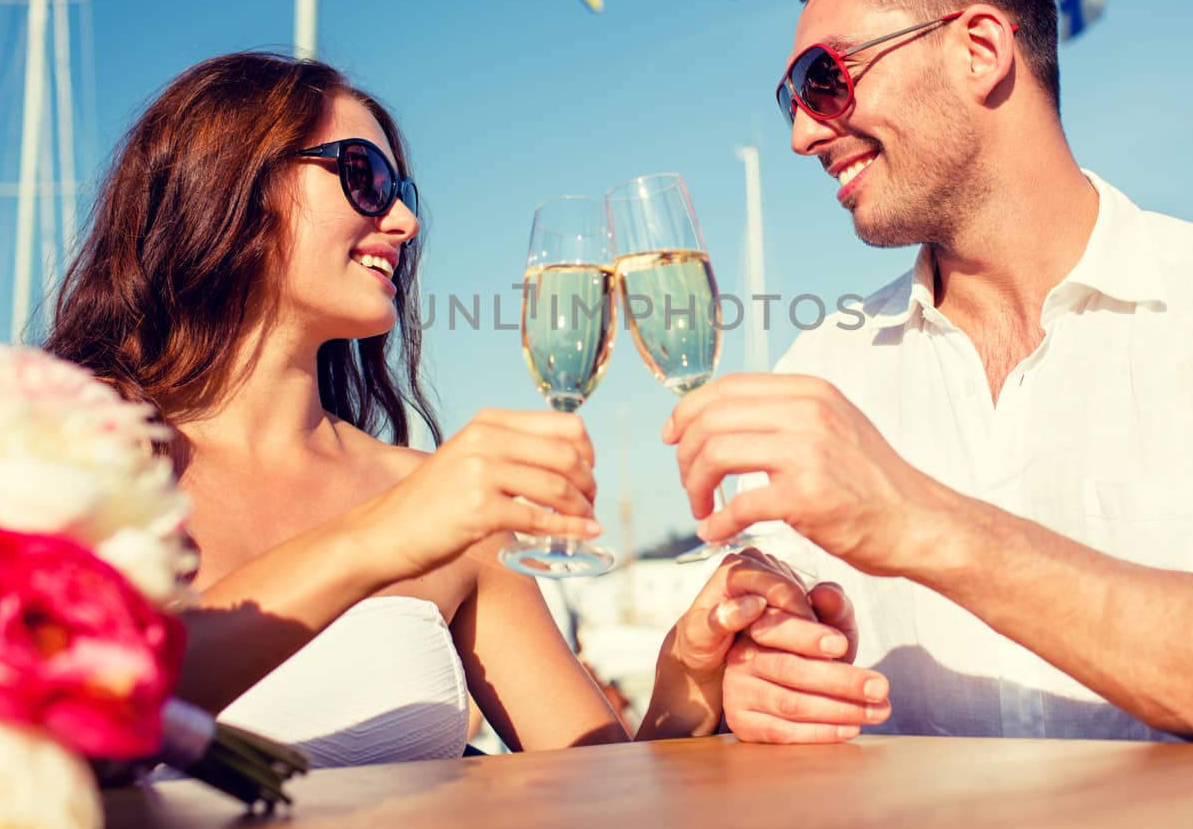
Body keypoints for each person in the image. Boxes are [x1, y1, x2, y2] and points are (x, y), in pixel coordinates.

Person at [667, 0, 1193, 747]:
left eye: (824, 77)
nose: (804, 133)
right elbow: (724, 664)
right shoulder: (819, 369)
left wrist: (923, 521)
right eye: (792, 101)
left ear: (980, 50)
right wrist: (743, 667)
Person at [44, 51, 886, 766]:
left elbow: (603, 787)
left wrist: (688, 676)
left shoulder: (448, 507)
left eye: (400, 187)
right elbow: (67, 711)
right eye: (362, 178)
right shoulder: (58, 457)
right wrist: (388, 533)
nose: (405, 220)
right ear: (225, 183)